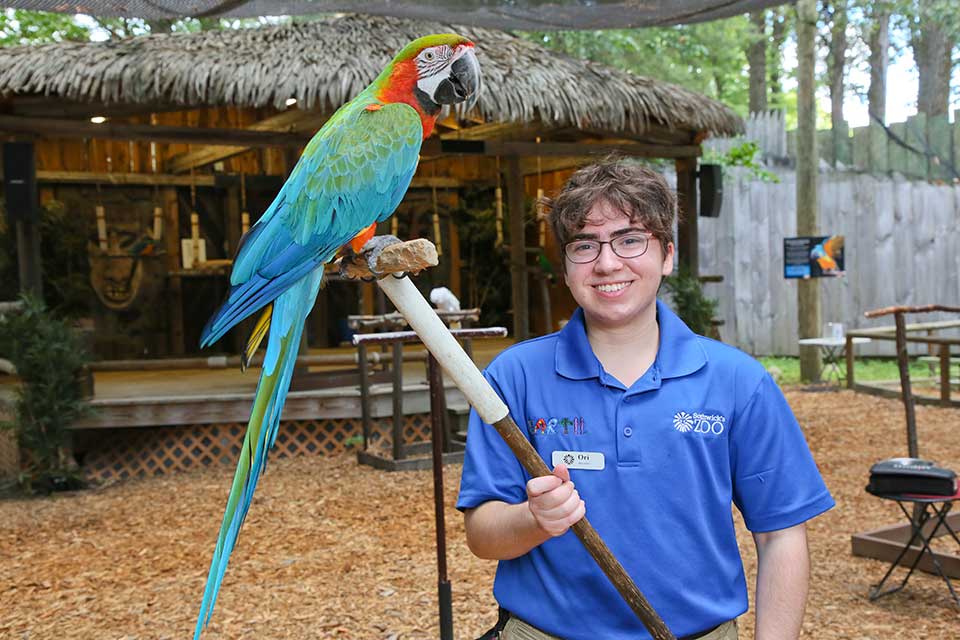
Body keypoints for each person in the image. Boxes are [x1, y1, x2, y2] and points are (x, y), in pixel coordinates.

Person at [457, 160, 834, 640]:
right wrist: (535, 519)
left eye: (630, 239)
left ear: (667, 255)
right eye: (584, 245)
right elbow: (482, 534)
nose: (607, 263)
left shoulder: (737, 381)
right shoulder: (513, 379)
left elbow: (781, 534)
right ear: (566, 267)